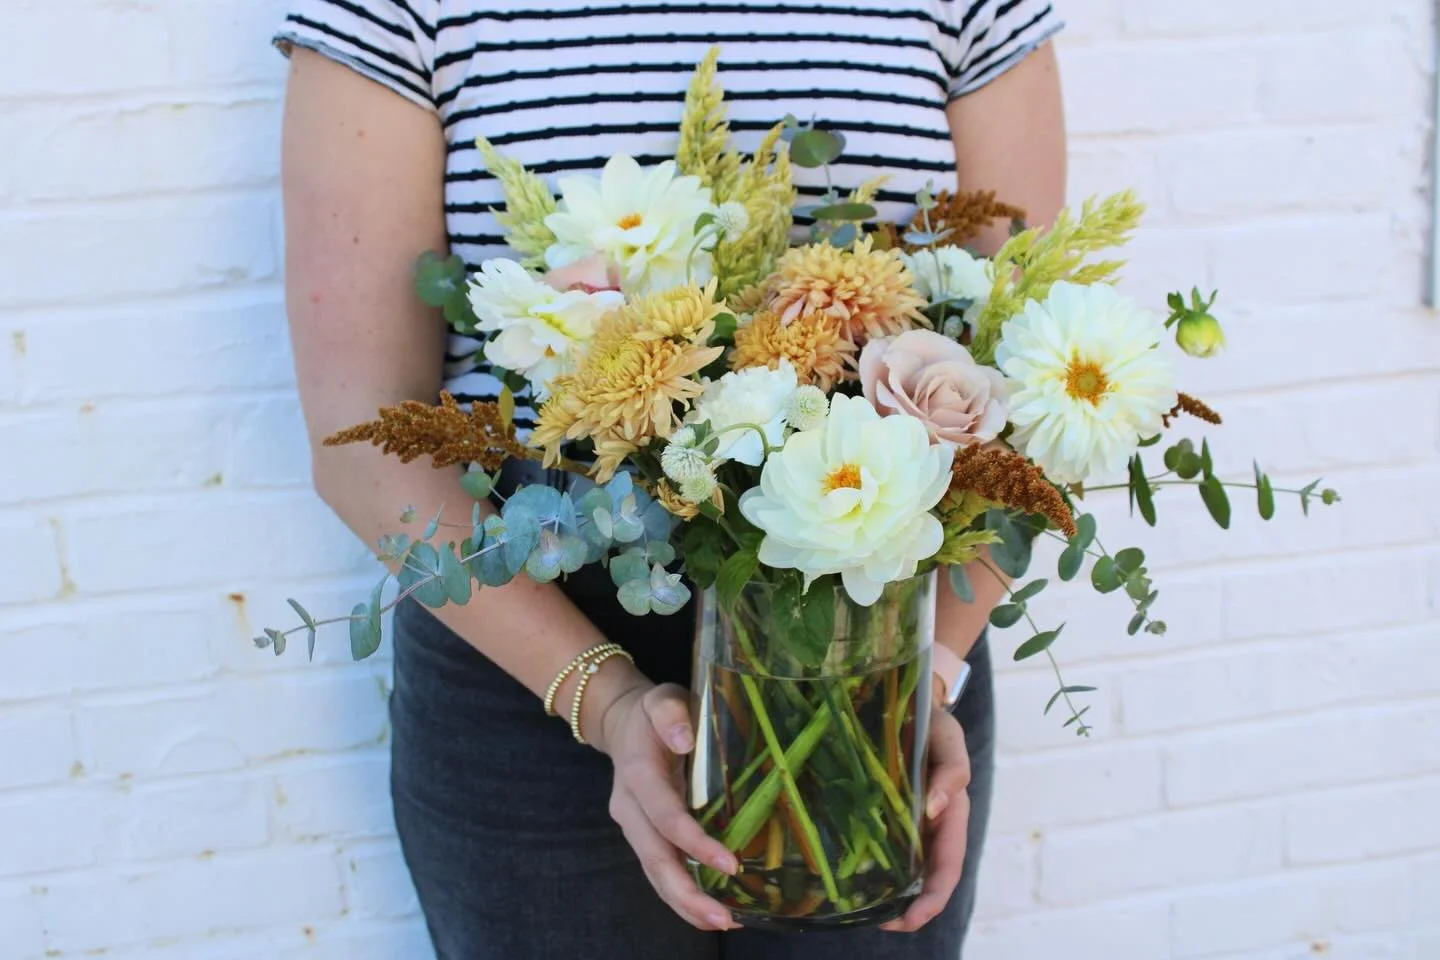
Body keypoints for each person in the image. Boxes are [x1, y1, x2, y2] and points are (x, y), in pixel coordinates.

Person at [275, 2, 1065, 957]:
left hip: (876, 634)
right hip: (524, 634)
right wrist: (601, 699)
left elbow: (1036, 390)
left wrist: (926, 674)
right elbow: (363, 438)